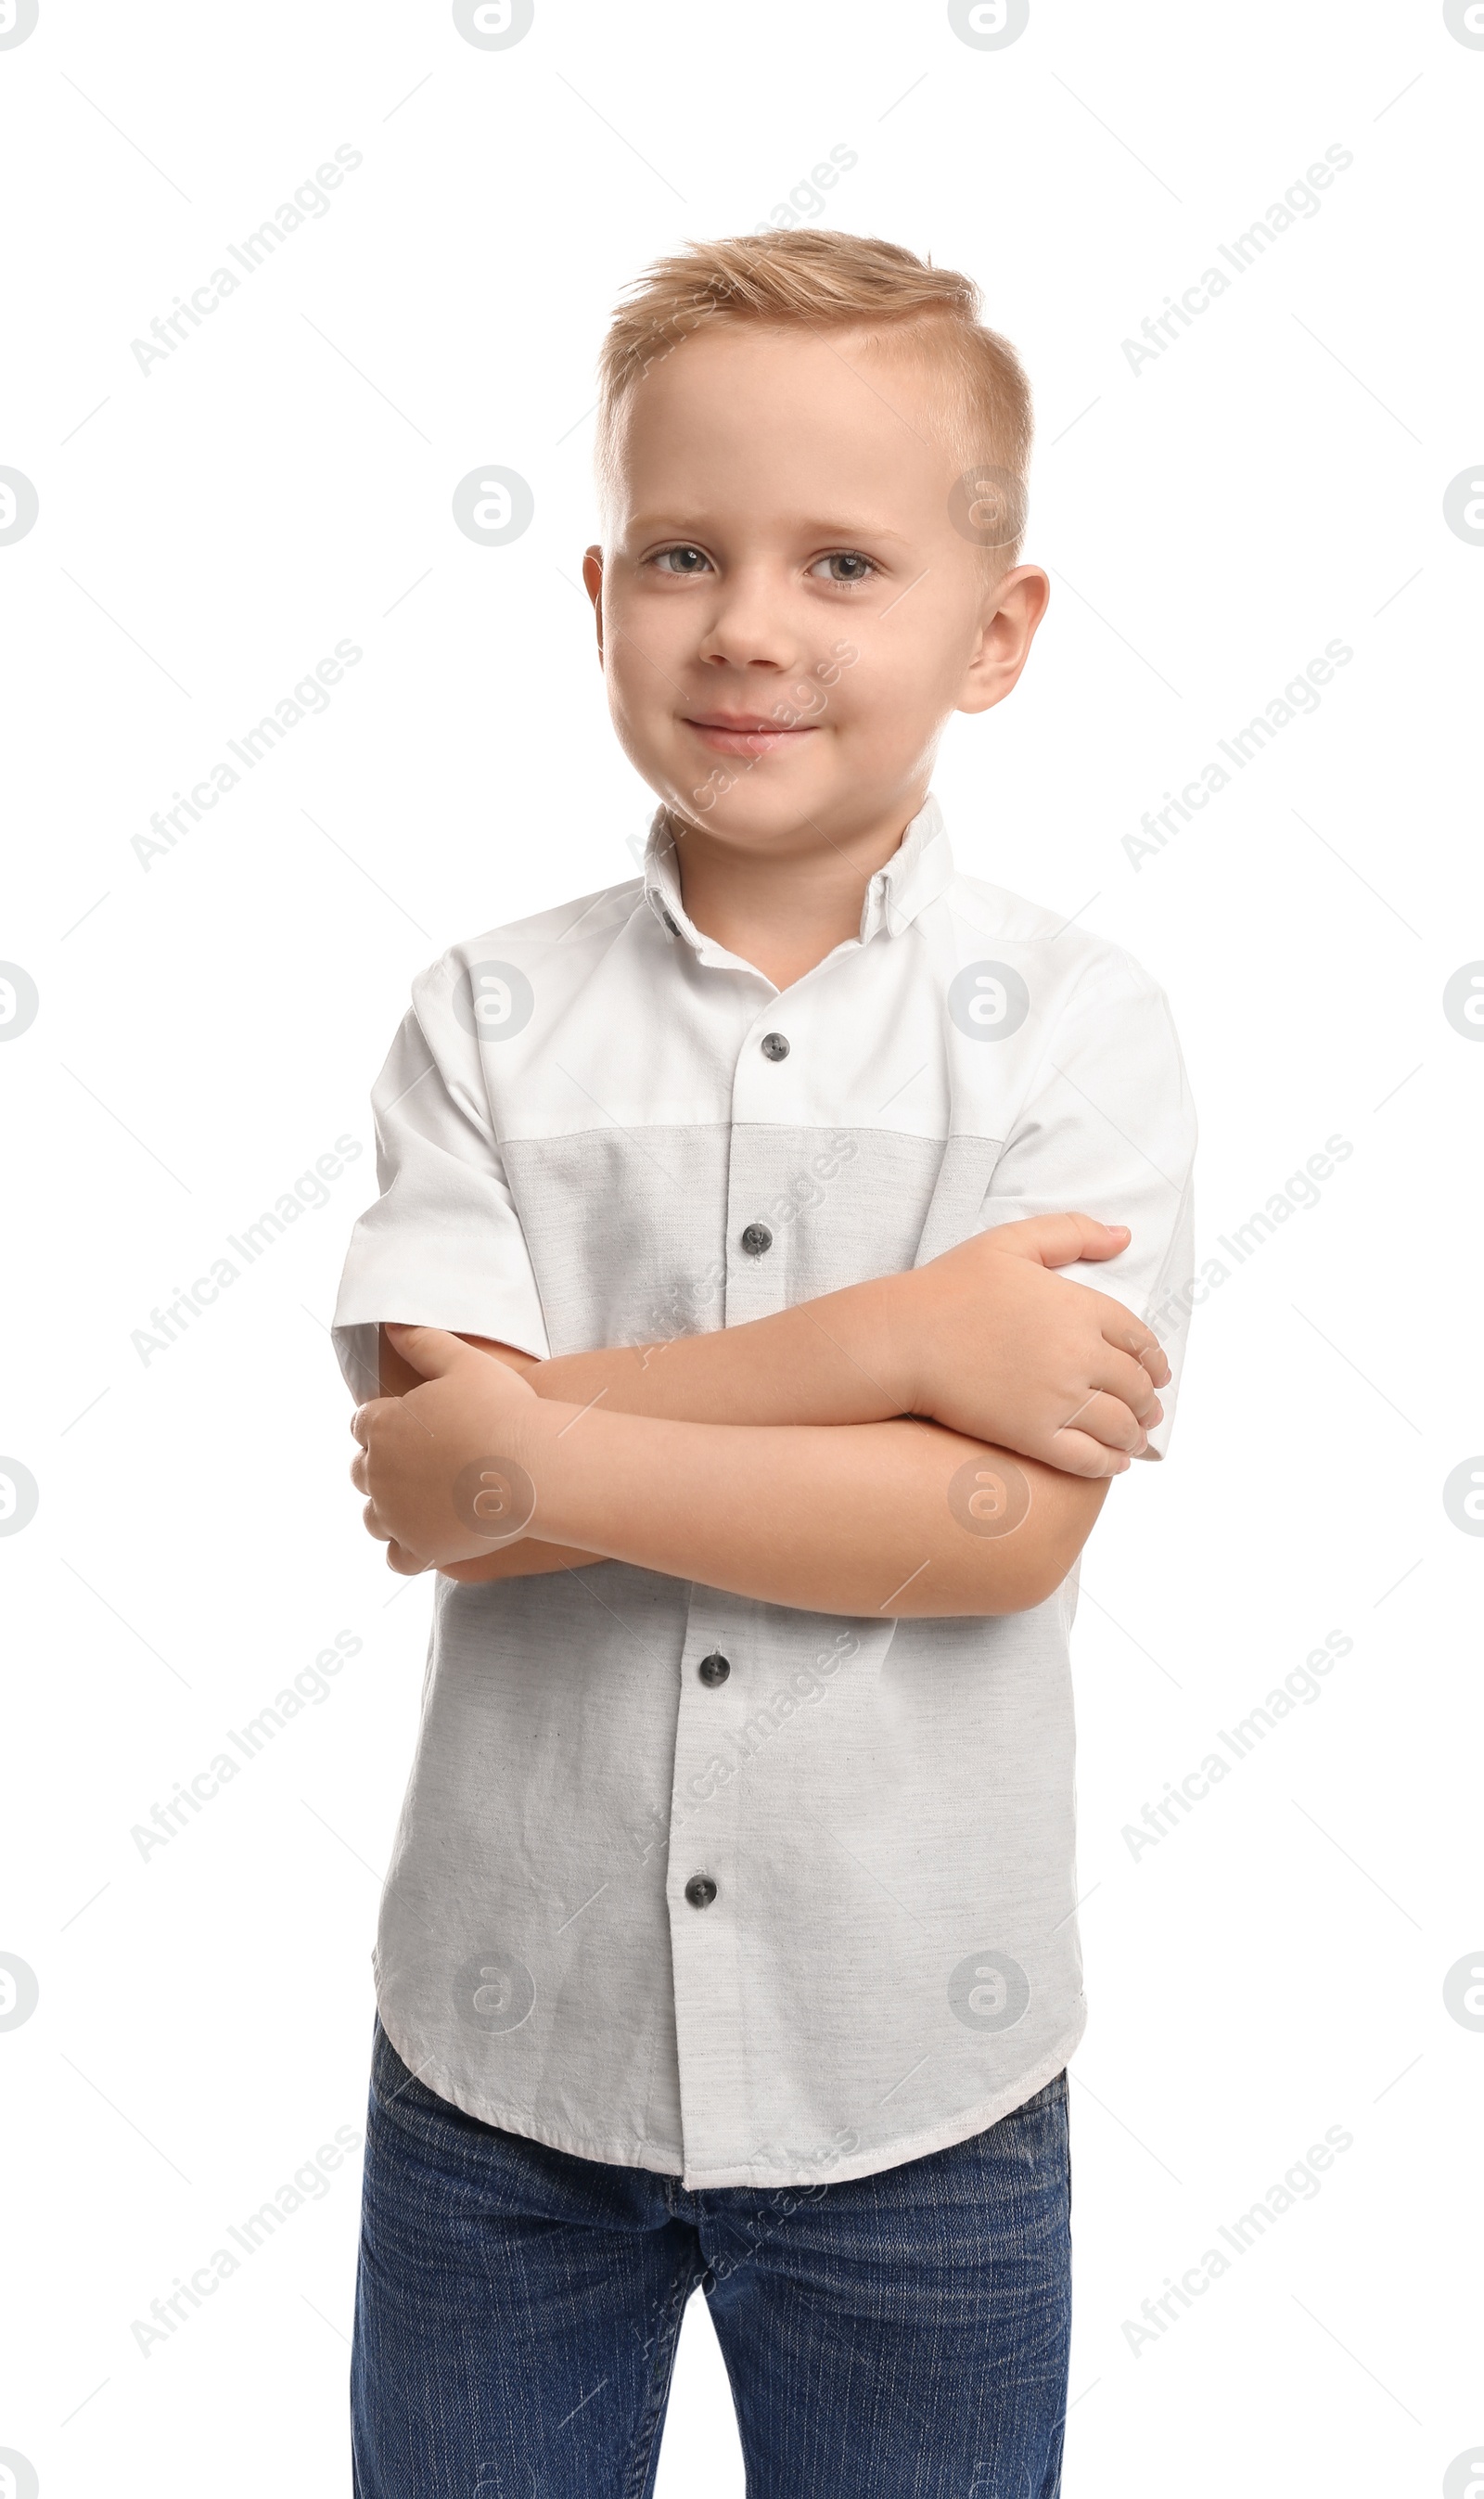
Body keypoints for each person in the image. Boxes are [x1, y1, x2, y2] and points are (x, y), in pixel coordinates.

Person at [336, 227, 1196, 2499]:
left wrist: (542, 1448)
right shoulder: (484, 1017)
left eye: (841, 561)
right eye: (687, 555)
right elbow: (439, 1482)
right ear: (597, 590)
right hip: (502, 2082)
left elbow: (992, 1533)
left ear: (991, 631)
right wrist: (905, 1344)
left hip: (914, 2077)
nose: (748, 625)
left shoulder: (1079, 1031)